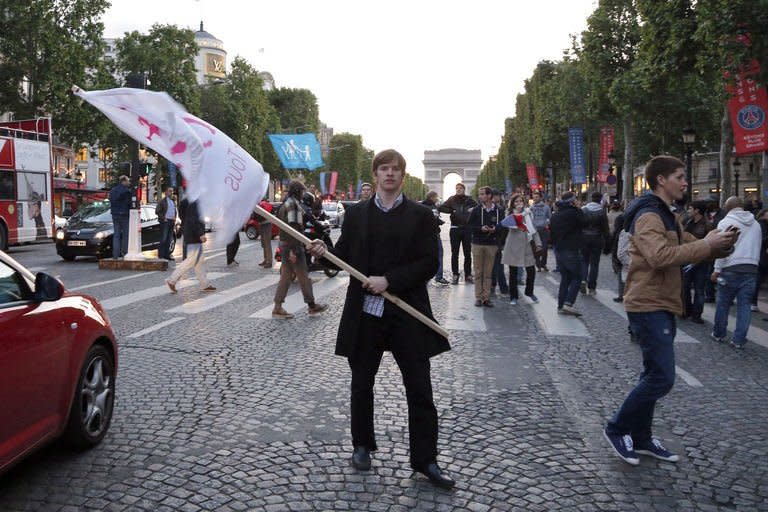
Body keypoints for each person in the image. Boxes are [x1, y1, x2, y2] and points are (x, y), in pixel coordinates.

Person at [314, 149, 455, 489]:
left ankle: (426, 460)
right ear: (375, 175)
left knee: (420, 389)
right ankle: (362, 445)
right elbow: (343, 257)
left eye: (395, 170)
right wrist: (324, 252)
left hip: (408, 313)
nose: (389, 174)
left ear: (402, 176)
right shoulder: (356, 213)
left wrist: (389, 281)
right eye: (383, 169)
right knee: (362, 384)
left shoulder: (421, 215)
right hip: (366, 313)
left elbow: (428, 263)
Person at [604, 156, 736, 465]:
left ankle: (642, 438)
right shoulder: (650, 215)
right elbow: (661, 257)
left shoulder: (667, 214)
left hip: (661, 301)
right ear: (662, 180)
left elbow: (691, 243)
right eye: (679, 176)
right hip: (648, 302)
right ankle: (617, 428)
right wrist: (708, 245)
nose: (685, 182)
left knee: (652, 373)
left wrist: (722, 243)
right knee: (662, 377)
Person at [710, 196, 762, 349]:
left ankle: (719, 333)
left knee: (723, 303)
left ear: (728, 207)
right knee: (744, 306)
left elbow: (721, 248)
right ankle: (738, 340)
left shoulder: (725, 222)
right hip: (751, 268)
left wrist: (716, 270)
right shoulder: (756, 224)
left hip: (730, 267)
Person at [271, 180, 328, 319]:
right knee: (303, 276)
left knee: (286, 277)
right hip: (293, 245)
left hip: (285, 244)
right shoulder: (293, 205)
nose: (304, 194)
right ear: (298, 191)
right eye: (302, 191)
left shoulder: (287, 203)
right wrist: (294, 250)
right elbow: (294, 229)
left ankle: (278, 307)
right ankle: (312, 306)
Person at [165, 200, 216, 293]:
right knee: (191, 261)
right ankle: (171, 280)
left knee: (199, 262)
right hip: (193, 236)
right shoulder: (195, 203)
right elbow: (194, 220)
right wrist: (200, 234)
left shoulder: (195, 201)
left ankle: (205, 284)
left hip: (192, 235)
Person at [501, 193, 541, 305]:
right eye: (516, 202)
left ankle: (529, 292)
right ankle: (513, 297)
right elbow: (512, 225)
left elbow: (533, 229)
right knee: (513, 273)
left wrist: (538, 244)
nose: (519, 204)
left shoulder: (529, 214)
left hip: (527, 245)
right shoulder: (509, 214)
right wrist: (521, 214)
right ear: (513, 203)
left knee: (531, 271)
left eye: (521, 201)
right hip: (513, 246)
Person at [549, 191, 586, 315]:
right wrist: (579, 209)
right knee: (577, 276)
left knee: (565, 278)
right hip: (571, 249)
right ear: (572, 201)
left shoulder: (555, 215)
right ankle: (569, 303)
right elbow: (584, 223)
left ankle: (561, 305)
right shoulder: (575, 213)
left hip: (558, 249)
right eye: (576, 199)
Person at [467, 186, 503, 306]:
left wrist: (495, 229)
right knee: (478, 272)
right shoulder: (476, 210)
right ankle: (478, 297)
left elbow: (503, 227)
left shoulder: (499, 210)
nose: (480, 196)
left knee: (488, 273)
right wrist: (480, 228)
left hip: (492, 244)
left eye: (482, 194)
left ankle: (486, 297)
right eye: (479, 194)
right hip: (478, 243)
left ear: (489, 196)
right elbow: (470, 226)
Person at [438, 183, 478, 284]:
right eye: (457, 188)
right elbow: (441, 207)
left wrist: (472, 210)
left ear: (464, 189)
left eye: (460, 188)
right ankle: (455, 274)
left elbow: (478, 208)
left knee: (467, 253)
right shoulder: (451, 199)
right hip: (455, 229)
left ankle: (468, 275)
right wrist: (452, 210)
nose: (458, 189)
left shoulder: (470, 199)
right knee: (454, 253)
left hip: (467, 229)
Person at [682, 201, 713, 323]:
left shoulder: (707, 225)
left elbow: (710, 243)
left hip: (702, 260)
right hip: (687, 258)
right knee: (685, 287)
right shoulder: (688, 222)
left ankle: (697, 314)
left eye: (690, 208)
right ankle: (686, 310)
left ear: (697, 210)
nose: (688, 211)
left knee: (700, 289)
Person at [580, 192, 610, 295]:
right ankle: (592, 287)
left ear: (591, 198)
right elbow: (606, 229)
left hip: (584, 238)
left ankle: (583, 280)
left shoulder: (584, 210)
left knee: (584, 261)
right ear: (600, 199)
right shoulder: (601, 211)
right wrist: (608, 244)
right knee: (594, 264)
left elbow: (579, 225)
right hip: (597, 238)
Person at [421, 191, 449, 285]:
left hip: (423, 235)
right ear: (432, 197)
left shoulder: (420, 206)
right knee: (439, 254)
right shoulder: (433, 207)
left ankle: (424, 276)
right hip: (434, 234)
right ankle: (439, 276)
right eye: (436, 197)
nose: (437, 199)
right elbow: (434, 219)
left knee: (424, 256)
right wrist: (439, 222)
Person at [490, 189, 509, 296]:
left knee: (493, 265)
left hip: (492, 241)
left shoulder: (498, 208)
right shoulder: (500, 209)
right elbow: (503, 227)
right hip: (496, 241)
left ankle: (493, 284)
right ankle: (503, 288)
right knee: (498, 265)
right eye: (498, 196)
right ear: (495, 197)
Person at [109, 175, 131, 259]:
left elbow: (111, 201)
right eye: (128, 181)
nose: (129, 183)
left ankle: (115, 255)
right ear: (123, 181)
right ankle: (124, 253)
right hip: (124, 214)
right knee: (125, 235)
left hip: (115, 214)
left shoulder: (113, 190)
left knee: (116, 235)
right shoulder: (127, 191)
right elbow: (129, 203)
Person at [530, 191, 551, 271]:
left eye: (537, 197)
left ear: (541, 198)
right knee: (536, 248)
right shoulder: (531, 208)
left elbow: (549, 217)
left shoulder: (546, 207)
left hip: (543, 230)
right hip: (534, 231)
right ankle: (538, 265)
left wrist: (547, 223)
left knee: (545, 248)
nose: (535, 198)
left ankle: (543, 263)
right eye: (534, 197)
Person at [752, 208, 768, 312]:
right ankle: (753, 302)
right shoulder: (761, 224)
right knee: (757, 280)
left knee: (758, 280)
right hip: (762, 257)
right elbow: (762, 239)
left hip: (762, 257)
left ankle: (753, 302)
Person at [155, 186, 176, 261]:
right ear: (166, 192)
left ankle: (167, 255)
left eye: (172, 191)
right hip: (165, 222)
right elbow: (157, 211)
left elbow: (174, 210)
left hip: (171, 221)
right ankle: (161, 255)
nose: (171, 193)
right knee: (163, 239)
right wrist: (163, 218)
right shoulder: (162, 201)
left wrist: (174, 217)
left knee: (169, 239)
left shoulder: (172, 201)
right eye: (170, 191)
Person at [256, 199, 274, 268]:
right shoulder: (260, 203)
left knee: (267, 243)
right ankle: (266, 259)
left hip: (266, 224)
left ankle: (269, 261)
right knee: (264, 243)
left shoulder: (264, 203)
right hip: (262, 224)